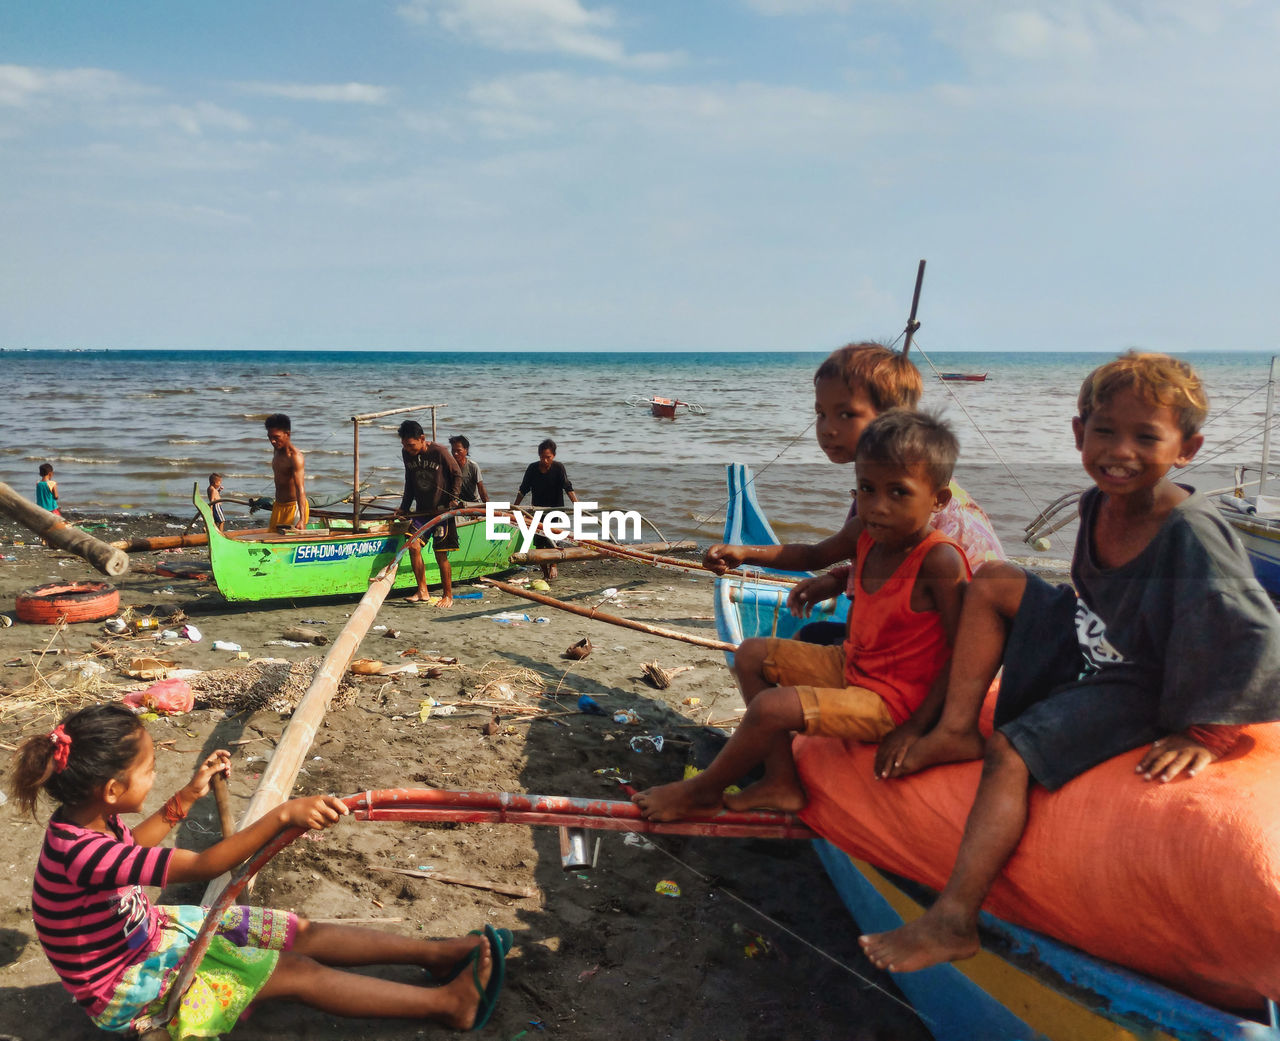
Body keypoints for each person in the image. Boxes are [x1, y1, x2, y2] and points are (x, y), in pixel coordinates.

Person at [859, 352, 1280, 975]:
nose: (1120, 451)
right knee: (996, 580)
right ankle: (952, 729)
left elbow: (1256, 631)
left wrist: (1208, 733)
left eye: (1147, 436)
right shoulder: (1094, 503)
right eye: (1105, 431)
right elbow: (1092, 598)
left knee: (1009, 752)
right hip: (1095, 635)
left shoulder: (1189, 529)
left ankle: (953, 919)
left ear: (1186, 448)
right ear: (1079, 432)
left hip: (1141, 675)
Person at [8, 703, 506, 1037]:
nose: (155, 775)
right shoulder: (81, 851)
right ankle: (447, 1006)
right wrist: (281, 815)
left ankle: (434, 955)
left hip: (150, 935)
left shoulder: (86, 822)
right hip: (126, 984)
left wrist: (185, 797)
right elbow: (206, 863)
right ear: (112, 790)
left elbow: (133, 851)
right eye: (149, 770)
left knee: (291, 931)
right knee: (296, 972)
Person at [633, 410, 970, 821]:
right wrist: (745, 553)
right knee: (752, 654)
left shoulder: (940, 560)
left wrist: (918, 728)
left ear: (938, 499)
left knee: (770, 709)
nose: (878, 506)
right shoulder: (865, 533)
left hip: (893, 701)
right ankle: (781, 779)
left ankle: (702, 791)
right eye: (866, 489)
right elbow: (811, 555)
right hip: (854, 664)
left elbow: (964, 652)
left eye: (898, 492)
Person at [703, 342, 1004, 644]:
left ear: (892, 418)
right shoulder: (881, 490)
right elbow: (849, 554)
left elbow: (917, 579)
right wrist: (836, 579)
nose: (827, 428)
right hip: (899, 625)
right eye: (821, 413)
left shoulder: (914, 503)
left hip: (941, 642)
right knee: (811, 636)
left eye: (845, 414)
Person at [395, 420, 463, 607]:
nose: (408, 449)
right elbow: (409, 481)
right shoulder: (407, 454)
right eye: (405, 446)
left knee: (440, 554)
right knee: (413, 546)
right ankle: (422, 590)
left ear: (422, 439)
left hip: (442, 512)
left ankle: (447, 595)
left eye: (411, 445)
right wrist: (404, 507)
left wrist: (454, 499)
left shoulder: (439, 452)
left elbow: (457, 474)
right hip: (422, 512)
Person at [512, 439, 579, 581]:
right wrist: (514, 507)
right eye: (542, 457)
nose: (545, 460)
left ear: (553, 456)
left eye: (548, 457)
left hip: (555, 510)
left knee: (552, 539)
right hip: (537, 511)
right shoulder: (532, 469)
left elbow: (568, 488)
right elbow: (523, 489)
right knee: (539, 542)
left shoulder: (559, 468)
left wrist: (578, 505)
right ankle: (544, 573)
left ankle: (553, 565)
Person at [264, 414, 307, 533]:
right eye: (270, 437)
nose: (272, 441)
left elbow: (300, 489)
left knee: (285, 545)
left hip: (293, 508)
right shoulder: (276, 450)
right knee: (272, 538)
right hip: (278, 506)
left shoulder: (295, 457)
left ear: (287, 434)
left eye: (276, 437)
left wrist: (302, 519)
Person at [450, 435, 489, 505]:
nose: (455, 454)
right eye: (453, 450)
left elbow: (481, 490)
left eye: (459, 451)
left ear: (466, 450)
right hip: (457, 503)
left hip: (473, 503)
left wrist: (489, 508)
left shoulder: (473, 466)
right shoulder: (449, 466)